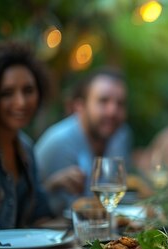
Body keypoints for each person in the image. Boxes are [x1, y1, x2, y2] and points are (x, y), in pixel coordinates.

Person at [35, 68, 132, 216]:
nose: (113, 111)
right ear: (80, 106)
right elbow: (57, 213)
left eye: (120, 103)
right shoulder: (59, 143)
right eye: (103, 101)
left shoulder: (120, 136)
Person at [0, 42, 54, 228]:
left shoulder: (26, 148)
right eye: (7, 93)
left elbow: (40, 218)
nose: (21, 102)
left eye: (28, 90)